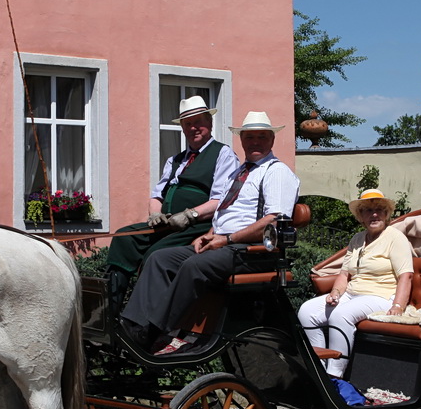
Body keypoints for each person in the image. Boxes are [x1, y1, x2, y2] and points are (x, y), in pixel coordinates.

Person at [120, 110, 299, 355]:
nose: (255, 142)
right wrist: (211, 233)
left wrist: (226, 239)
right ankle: (133, 325)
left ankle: (156, 331)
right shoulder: (240, 172)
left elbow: (274, 223)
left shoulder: (276, 172)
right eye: (249, 137)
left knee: (195, 265)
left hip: (252, 253)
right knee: (161, 258)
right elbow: (225, 209)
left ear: (272, 140)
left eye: (261, 137)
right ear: (242, 140)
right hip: (225, 244)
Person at [104, 96, 240, 308]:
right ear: (183, 128)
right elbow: (157, 195)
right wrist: (156, 215)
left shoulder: (223, 154)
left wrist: (189, 215)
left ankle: (143, 319)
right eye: (188, 124)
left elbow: (221, 200)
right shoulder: (175, 160)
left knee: (155, 255)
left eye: (199, 122)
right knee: (124, 238)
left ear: (209, 123)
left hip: (199, 225)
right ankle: (110, 309)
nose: (194, 128)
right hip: (168, 224)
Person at [298, 189, 413, 402]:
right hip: (352, 294)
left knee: (340, 315)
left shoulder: (395, 238)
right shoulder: (358, 239)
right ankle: (319, 370)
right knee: (307, 311)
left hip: (381, 296)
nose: (374, 215)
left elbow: (406, 276)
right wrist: (335, 292)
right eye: (368, 210)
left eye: (379, 210)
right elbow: (344, 274)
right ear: (361, 216)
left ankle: (335, 377)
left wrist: (398, 306)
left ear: (387, 214)